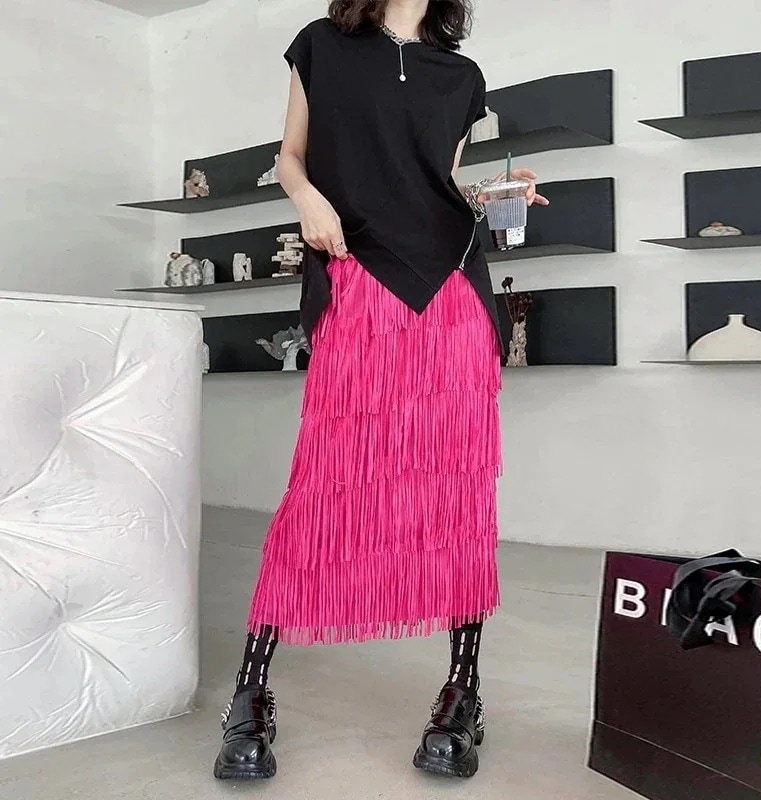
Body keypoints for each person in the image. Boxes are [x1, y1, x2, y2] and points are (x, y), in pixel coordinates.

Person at [213, 0, 548, 782]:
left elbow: (433, 182)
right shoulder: (322, 46)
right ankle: (251, 691)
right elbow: (291, 156)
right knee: (322, 484)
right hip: (359, 277)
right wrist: (307, 198)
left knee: (459, 489)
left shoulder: (461, 76)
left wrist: (491, 197)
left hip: (451, 293)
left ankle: (462, 691)